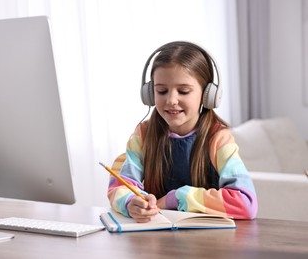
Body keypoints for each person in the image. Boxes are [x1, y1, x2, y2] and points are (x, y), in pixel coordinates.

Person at [107, 41, 257, 222]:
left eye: (183, 91)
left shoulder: (218, 139)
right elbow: (120, 186)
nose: (171, 100)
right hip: (157, 240)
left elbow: (246, 203)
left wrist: (178, 198)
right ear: (149, 93)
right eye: (161, 91)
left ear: (208, 95)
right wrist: (131, 202)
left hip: (210, 245)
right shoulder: (143, 135)